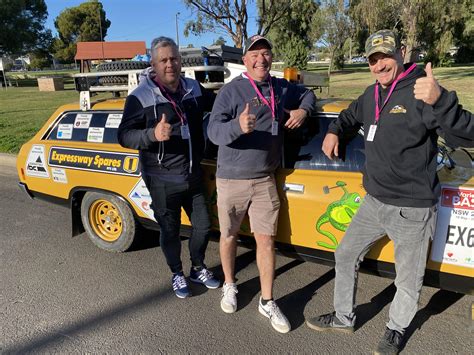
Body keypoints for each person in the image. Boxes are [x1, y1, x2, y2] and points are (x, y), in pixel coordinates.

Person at [305, 29, 473, 354]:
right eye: (373, 59)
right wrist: (335, 131)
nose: (380, 64)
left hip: (412, 209)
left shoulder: (421, 92)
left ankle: (395, 330)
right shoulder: (371, 95)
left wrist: (442, 101)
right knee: (345, 253)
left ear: (400, 53)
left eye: (385, 56)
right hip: (374, 201)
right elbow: (349, 116)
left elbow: (467, 134)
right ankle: (343, 316)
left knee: (407, 281)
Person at [207, 34, 316, 333]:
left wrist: (302, 110)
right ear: (245, 60)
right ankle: (230, 285)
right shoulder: (230, 92)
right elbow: (213, 131)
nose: (261, 59)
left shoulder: (281, 87)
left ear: (271, 57)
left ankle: (267, 301)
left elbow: (307, 94)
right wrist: (237, 127)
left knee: (266, 240)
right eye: (254, 55)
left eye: (266, 53)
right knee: (228, 236)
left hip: (265, 180)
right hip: (231, 179)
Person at [117, 36, 219, 299]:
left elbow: (219, 104)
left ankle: (198, 267)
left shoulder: (194, 89)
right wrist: (151, 134)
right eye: (163, 60)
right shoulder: (140, 97)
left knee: (203, 226)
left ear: (180, 60)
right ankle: (177, 273)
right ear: (153, 63)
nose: (170, 64)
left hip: (192, 174)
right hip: (161, 179)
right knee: (170, 231)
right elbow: (124, 136)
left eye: (174, 58)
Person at [414, 63, 473, 147]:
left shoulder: (422, 92)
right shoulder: (388, 89)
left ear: (402, 51)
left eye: (389, 55)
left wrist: (441, 102)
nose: (387, 65)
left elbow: (468, 136)